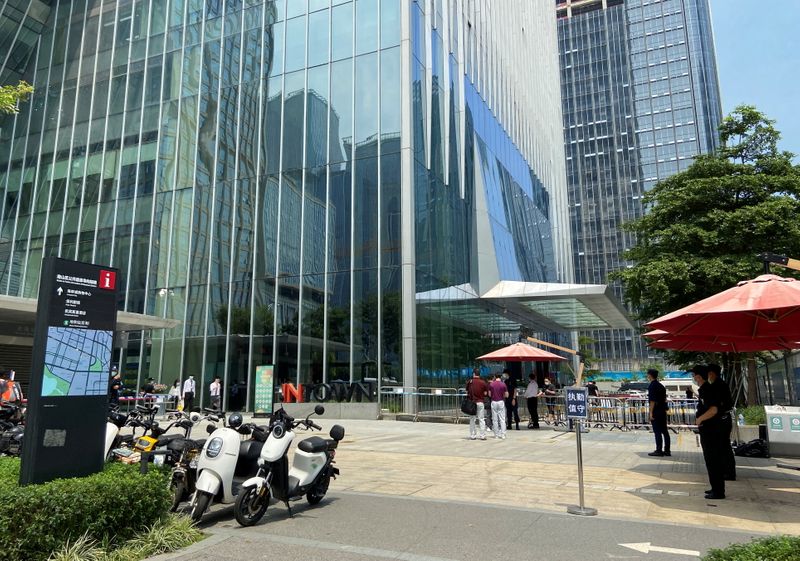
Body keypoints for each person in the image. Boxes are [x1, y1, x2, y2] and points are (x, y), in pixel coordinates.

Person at [693, 365, 726, 500]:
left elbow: (713, 410)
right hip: (708, 430)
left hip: (711, 430)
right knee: (710, 460)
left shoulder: (708, 390)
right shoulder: (704, 390)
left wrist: (700, 419)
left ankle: (718, 491)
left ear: (699, 377)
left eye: (694, 375)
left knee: (713, 460)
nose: (693, 378)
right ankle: (715, 488)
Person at [708, 363, 736, 481]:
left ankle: (728, 472)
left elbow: (716, 407)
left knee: (723, 446)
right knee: (724, 446)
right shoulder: (720, 384)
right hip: (723, 419)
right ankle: (727, 471)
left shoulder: (718, 385)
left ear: (712, 374)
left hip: (721, 420)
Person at [646, 368, 670, 457]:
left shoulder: (652, 386)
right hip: (663, 410)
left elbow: (652, 401)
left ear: (650, 375)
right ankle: (667, 450)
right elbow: (664, 399)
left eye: (647, 374)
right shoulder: (661, 386)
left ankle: (659, 450)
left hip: (656, 411)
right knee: (665, 431)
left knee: (657, 431)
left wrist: (651, 413)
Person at [466, 368, 488, 440]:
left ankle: (473, 435)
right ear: (479, 374)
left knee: (472, 419)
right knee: (481, 419)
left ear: (473, 374)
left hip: (472, 403)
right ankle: (482, 435)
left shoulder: (470, 382)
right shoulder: (483, 382)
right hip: (480, 402)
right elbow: (485, 393)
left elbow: (467, 392)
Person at [488, 373, 509, 439]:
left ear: (495, 376)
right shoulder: (503, 384)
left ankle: (496, 434)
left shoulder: (491, 384)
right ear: (500, 377)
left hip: (494, 401)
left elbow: (489, 394)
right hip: (501, 401)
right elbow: (507, 395)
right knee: (502, 419)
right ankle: (503, 434)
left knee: (495, 419)